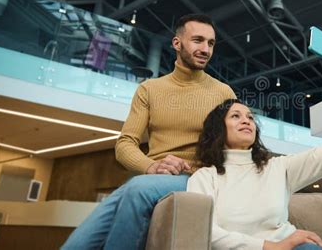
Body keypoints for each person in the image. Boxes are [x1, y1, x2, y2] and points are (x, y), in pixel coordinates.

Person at [62, 14, 236, 250]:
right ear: (177, 43)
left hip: (197, 178)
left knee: (137, 187)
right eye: (197, 40)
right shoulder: (149, 89)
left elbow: (235, 148)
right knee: (75, 246)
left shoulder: (223, 92)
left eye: (211, 43)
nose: (205, 49)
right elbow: (124, 144)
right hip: (150, 177)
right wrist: (151, 166)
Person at [187, 43, 322, 250]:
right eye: (235, 116)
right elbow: (205, 230)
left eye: (250, 117)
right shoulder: (204, 178)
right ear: (218, 129)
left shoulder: (278, 168)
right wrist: (269, 246)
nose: (246, 121)